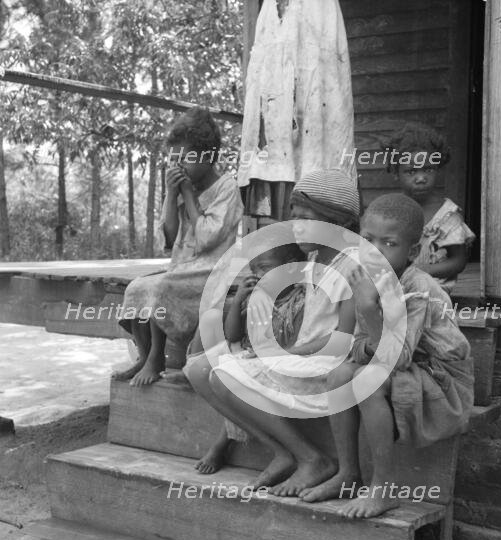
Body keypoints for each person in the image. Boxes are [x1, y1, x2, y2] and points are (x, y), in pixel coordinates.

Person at [185, 169, 360, 493]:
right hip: (299, 358)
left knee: (224, 376)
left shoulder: (351, 266)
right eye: (294, 216)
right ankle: (283, 452)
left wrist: (288, 353)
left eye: (307, 217)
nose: (296, 225)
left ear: (340, 222)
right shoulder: (311, 263)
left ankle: (311, 457)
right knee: (199, 370)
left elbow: (342, 338)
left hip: (323, 367)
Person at [300, 194, 474, 518]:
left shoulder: (417, 288)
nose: (375, 250)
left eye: (389, 243)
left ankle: (384, 488)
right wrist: (363, 339)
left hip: (443, 380)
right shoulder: (366, 279)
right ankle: (348, 474)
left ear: (411, 252)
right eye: (367, 240)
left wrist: (368, 309)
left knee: (367, 379)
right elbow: (358, 344)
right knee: (339, 375)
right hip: (407, 367)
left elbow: (399, 358)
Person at [113, 107, 243, 386]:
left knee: (163, 287)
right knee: (136, 287)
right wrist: (172, 195)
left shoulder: (227, 188)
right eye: (174, 159)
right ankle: (144, 354)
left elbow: (208, 237)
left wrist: (186, 194)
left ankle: (157, 357)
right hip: (183, 267)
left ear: (209, 157)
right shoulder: (183, 187)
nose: (179, 166)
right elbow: (170, 238)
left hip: (213, 269)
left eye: (186, 158)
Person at [178, 228, 306, 474]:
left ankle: (222, 442)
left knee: (230, 376)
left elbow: (291, 348)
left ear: (290, 267)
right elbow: (234, 334)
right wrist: (239, 302)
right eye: (254, 269)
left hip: (276, 363)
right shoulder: (257, 296)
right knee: (203, 365)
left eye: (265, 268)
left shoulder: (298, 301)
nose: (258, 275)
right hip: (246, 353)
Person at [238, 0, 356, 220]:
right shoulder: (269, 12)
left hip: (313, 103)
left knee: (317, 135)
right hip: (274, 118)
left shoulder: (321, 8)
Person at [387, 122, 475, 292]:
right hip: (398, 287)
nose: (421, 178)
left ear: (438, 169)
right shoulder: (391, 211)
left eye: (428, 170)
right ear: (396, 173)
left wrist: (419, 272)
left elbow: (458, 261)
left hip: (434, 291)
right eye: (411, 172)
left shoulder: (447, 215)